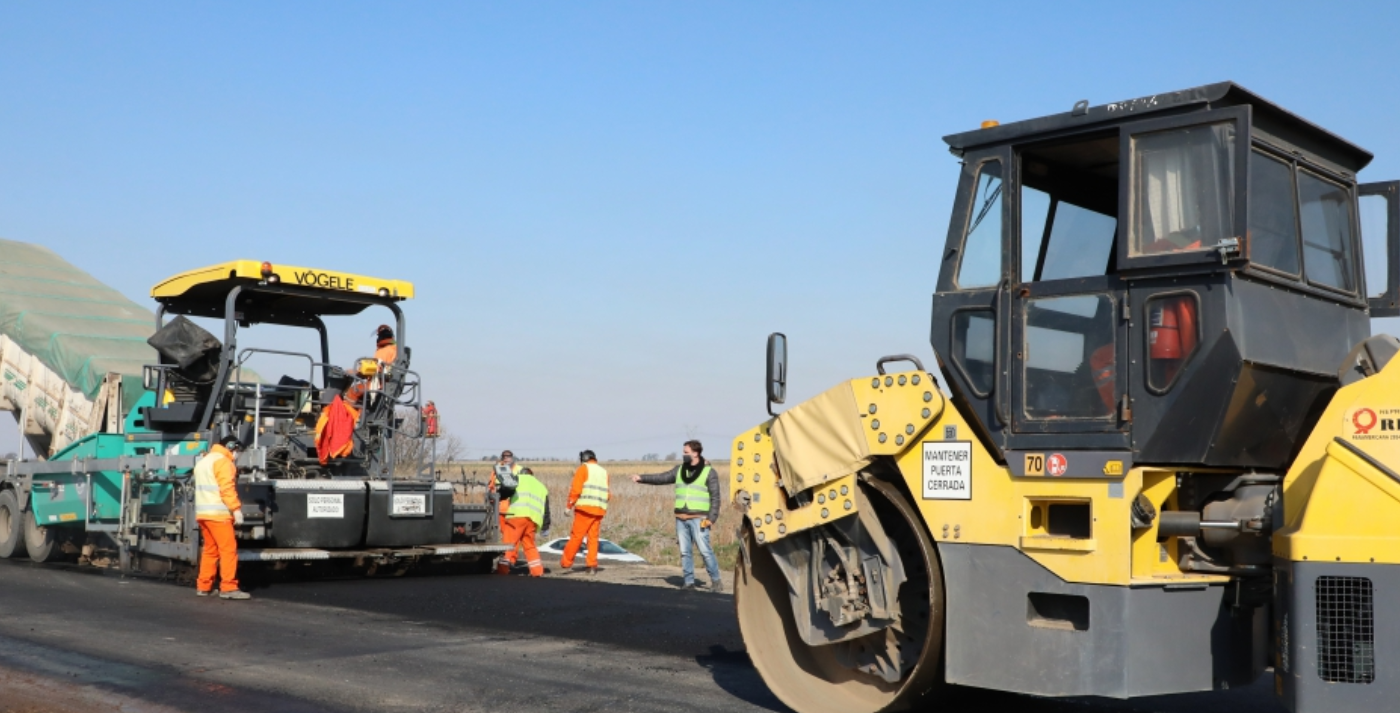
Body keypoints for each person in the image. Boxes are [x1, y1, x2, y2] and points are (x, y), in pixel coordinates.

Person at [633, 440, 722, 591]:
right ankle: (689, 582)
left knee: (705, 551)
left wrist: (711, 518)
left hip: (699, 518)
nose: (683, 455)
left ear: (696, 453)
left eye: (686, 452)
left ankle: (716, 580)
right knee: (685, 552)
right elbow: (662, 478)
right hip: (681, 517)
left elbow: (716, 497)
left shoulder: (709, 472)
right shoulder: (680, 470)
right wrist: (642, 478)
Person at [195, 435, 251, 600]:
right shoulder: (223, 462)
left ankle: (204, 586)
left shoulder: (204, 461)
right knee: (228, 550)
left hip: (203, 514)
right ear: (231, 447)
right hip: (219, 515)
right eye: (236, 451)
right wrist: (236, 509)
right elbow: (226, 488)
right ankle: (228, 587)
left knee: (210, 551)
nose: (236, 455)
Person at [560, 449, 608, 575]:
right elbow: (608, 494)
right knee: (593, 538)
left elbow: (576, 489)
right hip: (599, 510)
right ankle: (591, 566)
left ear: (584, 459)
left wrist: (569, 506)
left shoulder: (583, 469)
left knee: (577, 536)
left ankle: (566, 562)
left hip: (585, 509)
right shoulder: (603, 472)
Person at [496, 467, 550, 577]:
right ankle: (537, 571)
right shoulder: (542, 487)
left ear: (521, 473)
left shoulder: (516, 479)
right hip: (532, 520)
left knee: (508, 544)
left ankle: (502, 570)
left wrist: (498, 494)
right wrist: (545, 526)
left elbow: (504, 492)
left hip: (517, 516)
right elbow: (546, 510)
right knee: (529, 545)